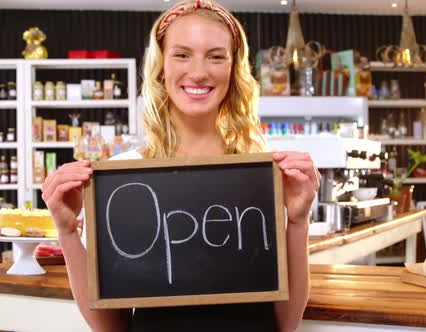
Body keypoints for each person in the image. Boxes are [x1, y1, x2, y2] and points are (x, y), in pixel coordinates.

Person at [42, 1, 319, 331]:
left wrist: (298, 220)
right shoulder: (120, 178)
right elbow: (109, 327)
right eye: (182, 54)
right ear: (161, 66)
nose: (199, 72)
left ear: (234, 68)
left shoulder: (265, 176)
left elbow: (286, 323)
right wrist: (67, 231)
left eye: (216, 56)